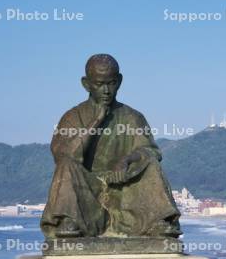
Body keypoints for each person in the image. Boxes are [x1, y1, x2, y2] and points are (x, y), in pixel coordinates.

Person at [40, 54, 181, 239]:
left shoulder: (132, 117)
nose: (106, 90)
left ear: (119, 81)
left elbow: (149, 150)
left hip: (123, 193)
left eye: (111, 83)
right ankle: (70, 220)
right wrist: (96, 121)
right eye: (99, 84)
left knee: (151, 163)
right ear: (86, 84)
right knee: (66, 165)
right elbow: (65, 156)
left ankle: (156, 222)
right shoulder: (72, 117)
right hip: (86, 196)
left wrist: (127, 160)